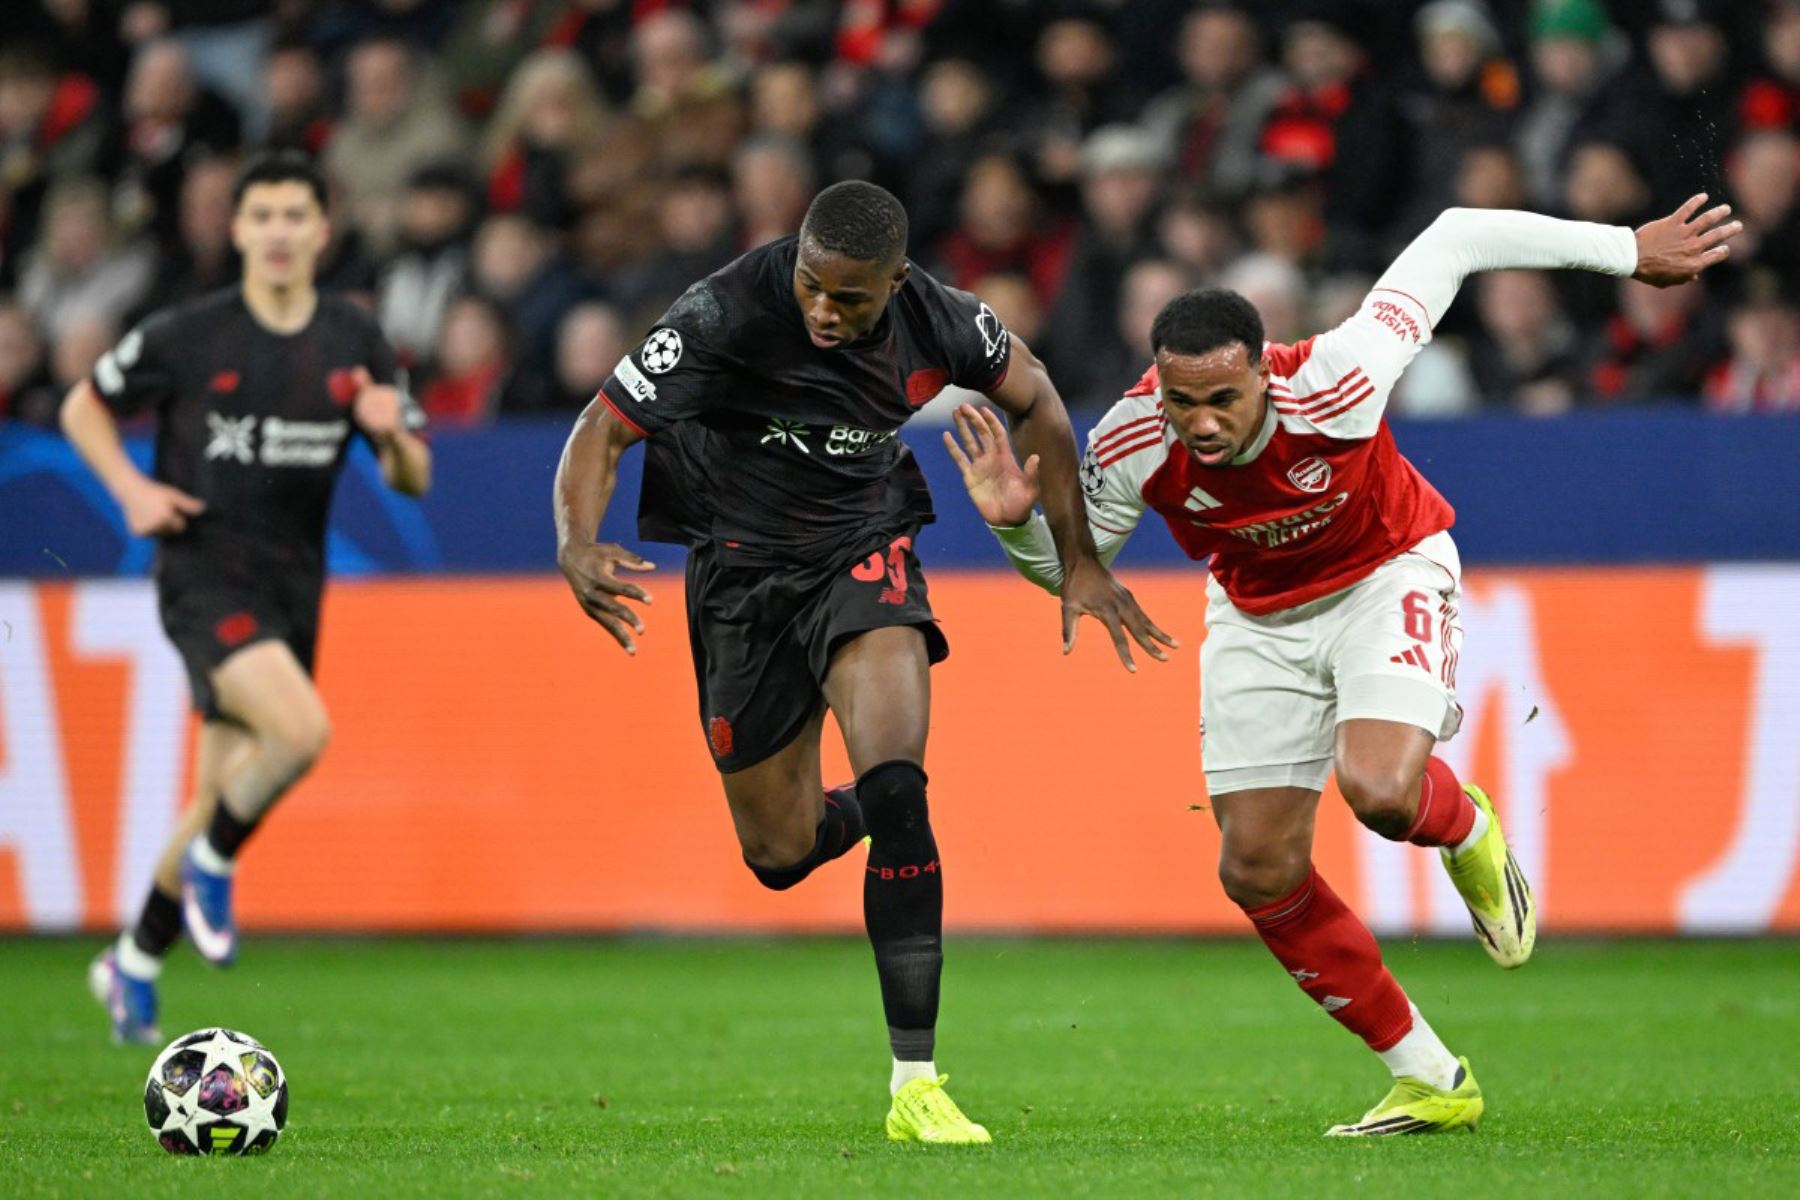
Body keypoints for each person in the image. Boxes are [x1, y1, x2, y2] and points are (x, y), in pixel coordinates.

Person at [949, 195, 1739, 1135]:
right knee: (1255, 867)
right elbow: (1076, 578)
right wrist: (1013, 528)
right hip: (1255, 617)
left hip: (1384, 572)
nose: (1199, 423)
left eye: (1222, 398)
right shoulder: (1129, 442)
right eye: (1181, 399)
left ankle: (1466, 825)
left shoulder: (1342, 375)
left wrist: (1625, 252)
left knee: (1380, 790)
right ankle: (1431, 1078)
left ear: (1263, 377)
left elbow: (1455, 233)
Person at [553, 180, 1169, 1144]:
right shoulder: (722, 310)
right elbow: (601, 428)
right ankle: (843, 822)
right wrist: (576, 542)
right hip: (740, 578)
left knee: (898, 788)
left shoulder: (946, 321)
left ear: (896, 282)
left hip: (862, 545)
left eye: (851, 297)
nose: (823, 311)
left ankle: (915, 1082)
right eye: (811, 286)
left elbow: (1042, 401)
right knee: (779, 854)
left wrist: (1080, 560)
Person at [62, 150, 431, 1044]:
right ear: (235, 230)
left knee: (216, 789)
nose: (277, 231)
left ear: (321, 230)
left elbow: (414, 476)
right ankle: (219, 862)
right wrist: (131, 492)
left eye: (293, 215)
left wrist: (390, 438)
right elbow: (83, 404)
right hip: (202, 574)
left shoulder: (354, 337)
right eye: (260, 215)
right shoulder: (189, 334)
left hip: (293, 584)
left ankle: (132, 963)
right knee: (301, 732)